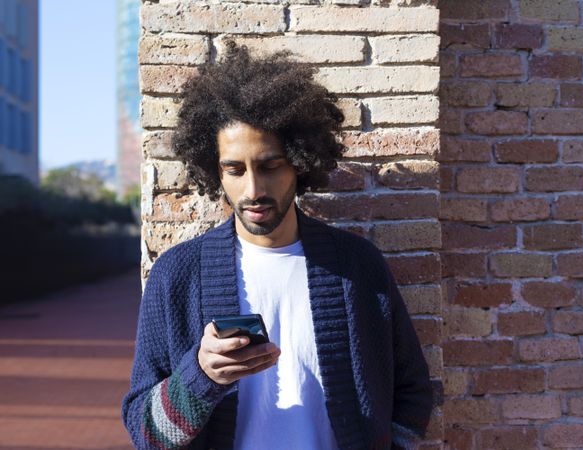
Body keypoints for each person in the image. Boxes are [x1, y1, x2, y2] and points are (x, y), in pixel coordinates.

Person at [121, 42, 433, 450]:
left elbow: (413, 392)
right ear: (214, 171)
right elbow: (144, 433)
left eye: (270, 166)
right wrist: (201, 376)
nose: (253, 189)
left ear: (300, 162)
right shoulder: (177, 275)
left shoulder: (357, 266)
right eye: (235, 169)